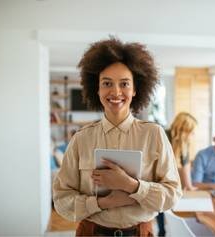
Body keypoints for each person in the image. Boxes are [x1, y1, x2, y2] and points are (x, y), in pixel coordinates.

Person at [53, 38, 182, 236]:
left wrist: (131, 185)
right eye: (107, 83)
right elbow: (62, 199)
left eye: (124, 84)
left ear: (135, 89)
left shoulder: (154, 134)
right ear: (97, 89)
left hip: (140, 232)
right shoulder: (81, 139)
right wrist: (102, 203)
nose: (116, 92)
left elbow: (173, 195)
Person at [156, 112, 197, 236]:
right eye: (192, 131)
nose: (193, 135)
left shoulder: (183, 142)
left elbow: (185, 164)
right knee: (161, 204)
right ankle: (161, 231)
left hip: (166, 182)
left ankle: (163, 231)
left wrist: (189, 186)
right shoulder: (163, 136)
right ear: (184, 129)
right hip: (156, 181)